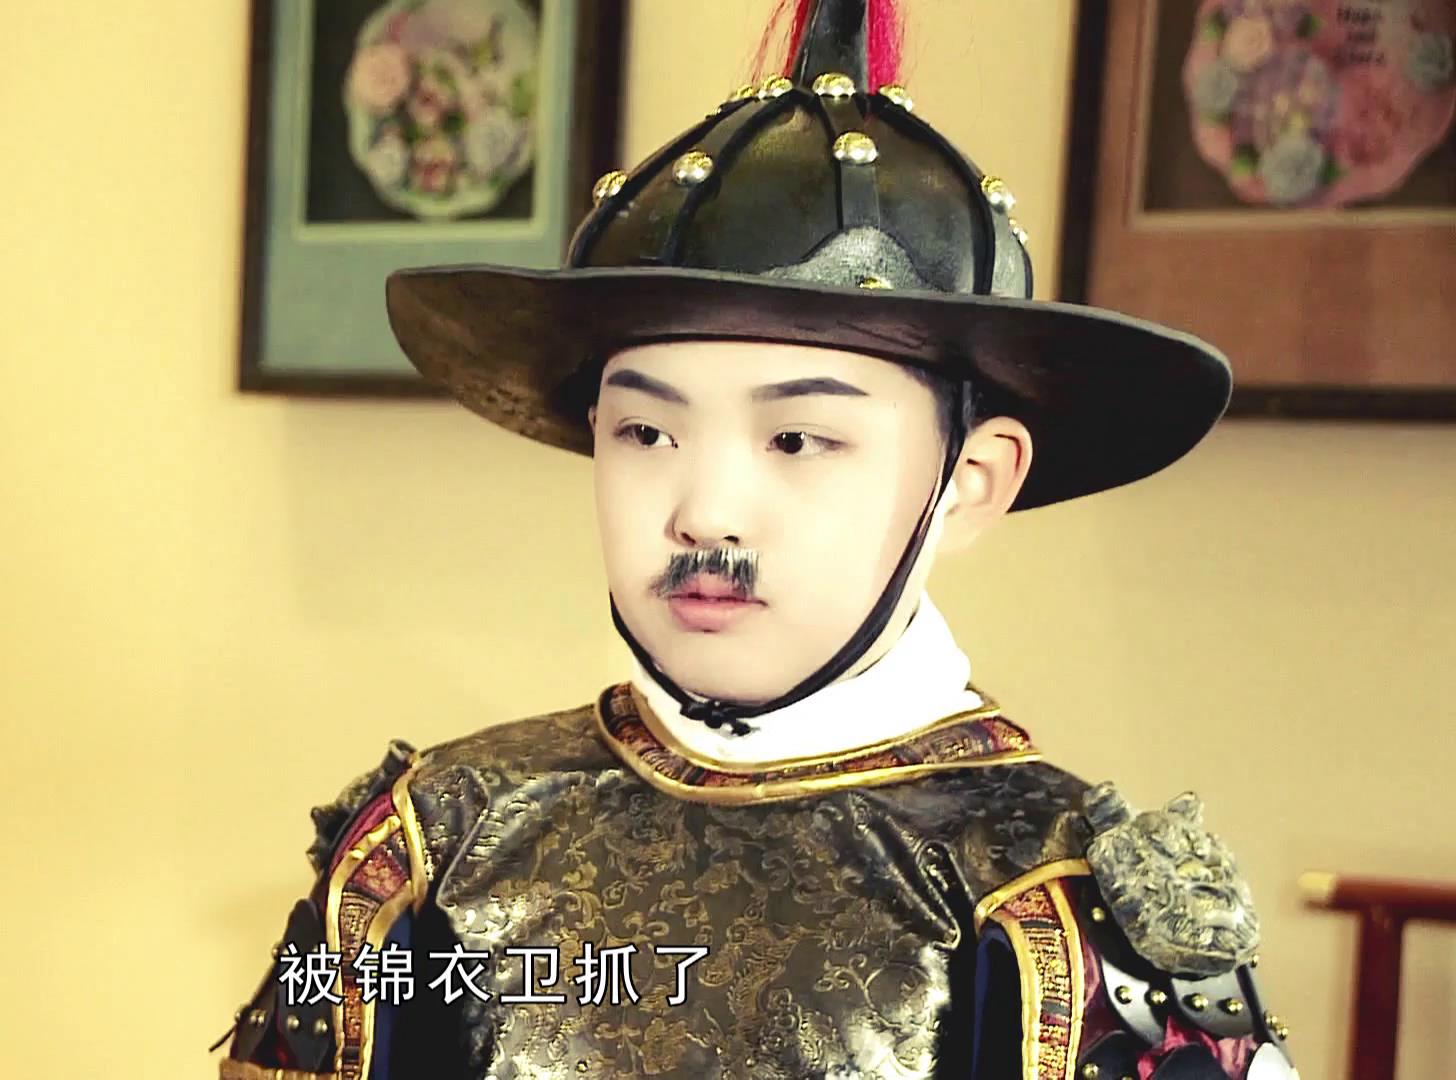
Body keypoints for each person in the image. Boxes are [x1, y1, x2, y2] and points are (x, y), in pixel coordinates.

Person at [217, 1, 1295, 1076]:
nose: (706, 513)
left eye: (796, 438)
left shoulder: (1055, 900)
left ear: (970, 481)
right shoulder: (434, 840)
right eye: (646, 432)